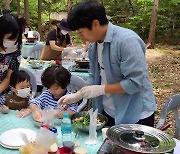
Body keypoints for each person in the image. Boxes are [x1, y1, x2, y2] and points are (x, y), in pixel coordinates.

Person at [58, 1, 157, 127]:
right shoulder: (94, 46)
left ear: (95, 24)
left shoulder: (127, 41)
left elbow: (135, 82)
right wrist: (79, 94)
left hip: (135, 113)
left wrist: (101, 89)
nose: (80, 36)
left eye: (81, 31)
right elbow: (94, 76)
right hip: (108, 110)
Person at [0, 13, 23, 96]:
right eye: (9, 38)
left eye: (15, 38)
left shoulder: (15, 50)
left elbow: (8, 77)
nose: (13, 41)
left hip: (6, 94)